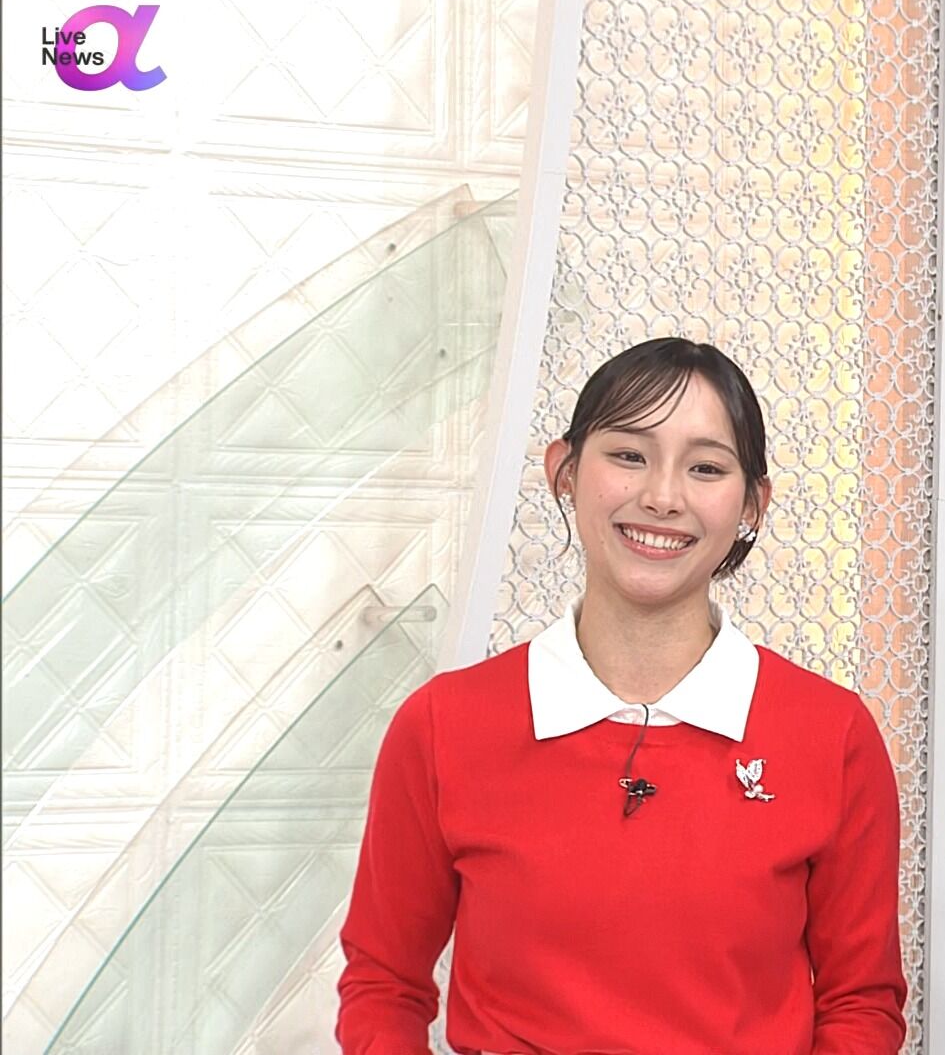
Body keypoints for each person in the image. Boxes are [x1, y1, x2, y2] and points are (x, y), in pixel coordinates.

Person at [337, 337, 907, 1054]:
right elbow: (383, 984)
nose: (662, 497)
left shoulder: (830, 734)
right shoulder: (444, 724)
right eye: (629, 455)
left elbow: (862, 1005)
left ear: (752, 505)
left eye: (705, 468)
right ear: (565, 472)